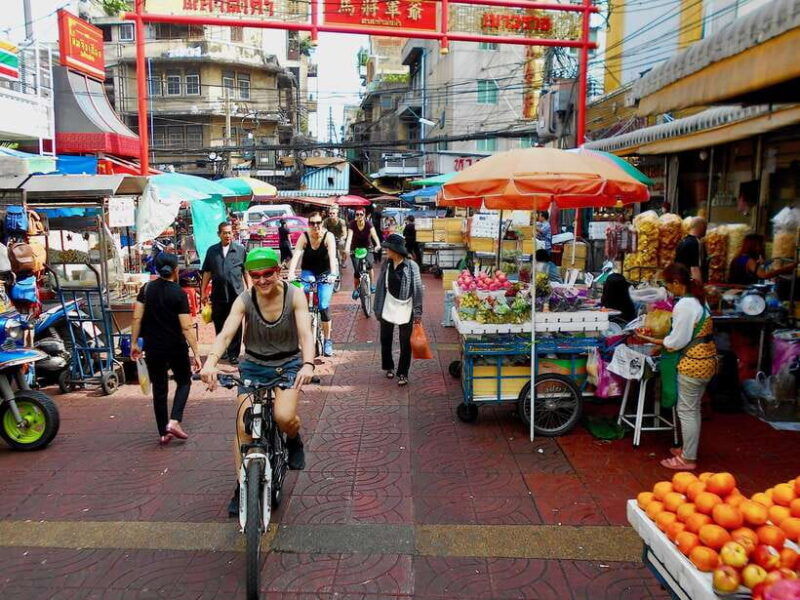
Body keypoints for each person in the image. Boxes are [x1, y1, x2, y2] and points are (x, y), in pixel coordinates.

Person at [199, 247, 315, 516]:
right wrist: (211, 362)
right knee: (244, 426)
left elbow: (306, 334)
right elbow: (226, 333)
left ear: (278, 271)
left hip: (288, 364)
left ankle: (293, 439)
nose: (262, 280)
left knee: (284, 417)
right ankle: (242, 485)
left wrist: (308, 363)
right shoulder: (244, 299)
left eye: (268, 274)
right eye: (256, 275)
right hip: (253, 365)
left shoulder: (294, 295)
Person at [636, 263, 717, 471]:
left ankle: (688, 459)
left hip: (692, 363)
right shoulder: (699, 300)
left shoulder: (685, 305)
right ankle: (687, 449)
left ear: (676, 283)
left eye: (668, 284)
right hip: (706, 361)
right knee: (693, 410)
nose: (667, 289)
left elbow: (676, 342)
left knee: (687, 411)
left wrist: (651, 340)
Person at [131, 253, 203, 445]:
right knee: (184, 381)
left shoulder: (146, 289)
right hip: (175, 346)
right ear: (175, 270)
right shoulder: (179, 293)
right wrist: (196, 353)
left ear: (156, 268)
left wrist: (134, 343)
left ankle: (163, 433)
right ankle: (174, 420)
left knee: (159, 388)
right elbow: (186, 327)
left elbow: (137, 317)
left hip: (153, 347)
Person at [374, 234, 424, 387]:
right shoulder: (386, 264)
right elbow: (380, 286)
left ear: (395, 250)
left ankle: (403, 372)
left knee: (405, 342)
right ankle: (388, 366)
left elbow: (417, 290)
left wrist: (417, 312)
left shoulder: (412, 266)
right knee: (385, 338)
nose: (386, 251)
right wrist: (377, 307)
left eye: (388, 248)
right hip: (388, 304)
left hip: (405, 307)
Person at [288, 211, 339, 356]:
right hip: (308, 272)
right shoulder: (304, 237)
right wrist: (291, 273)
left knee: (323, 305)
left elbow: (332, 256)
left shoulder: (328, 236)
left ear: (322, 223)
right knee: (300, 295)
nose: (315, 226)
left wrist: (333, 274)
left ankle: (327, 340)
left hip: (325, 273)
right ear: (308, 224)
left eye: (318, 223)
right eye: (312, 223)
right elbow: (296, 255)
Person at [201, 222, 249, 365]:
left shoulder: (240, 250)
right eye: (224, 233)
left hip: (236, 294)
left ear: (232, 233)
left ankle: (234, 354)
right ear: (219, 234)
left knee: (236, 325)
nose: (227, 235)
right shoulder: (212, 251)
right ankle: (222, 350)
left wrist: (249, 289)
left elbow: (246, 271)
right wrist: (203, 291)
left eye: (229, 232)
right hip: (218, 294)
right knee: (219, 323)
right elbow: (207, 272)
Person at [729, 233, 796, 285]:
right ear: (753, 245)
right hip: (743, 291)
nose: (761, 248)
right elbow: (764, 275)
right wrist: (786, 268)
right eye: (760, 245)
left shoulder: (738, 257)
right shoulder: (749, 260)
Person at [345, 206, 381, 299]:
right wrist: (347, 248)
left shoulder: (369, 224)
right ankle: (356, 289)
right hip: (355, 248)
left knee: (369, 265)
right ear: (355, 216)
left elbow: (374, 235)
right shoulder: (352, 224)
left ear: (364, 215)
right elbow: (349, 238)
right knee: (357, 270)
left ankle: (372, 285)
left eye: (361, 214)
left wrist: (378, 245)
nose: (359, 216)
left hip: (367, 247)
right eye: (357, 214)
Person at [675, 216, 708, 284]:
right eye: (705, 227)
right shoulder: (696, 242)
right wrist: (699, 286)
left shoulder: (682, 241)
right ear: (701, 226)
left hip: (679, 280)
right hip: (689, 282)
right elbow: (695, 267)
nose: (706, 230)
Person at [323, 205, 348, 269]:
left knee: (342, 245)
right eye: (330, 213)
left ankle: (343, 261)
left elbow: (345, 234)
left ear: (337, 214)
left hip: (340, 238)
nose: (332, 215)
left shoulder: (342, 221)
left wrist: (342, 238)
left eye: (333, 213)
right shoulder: (326, 221)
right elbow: (324, 231)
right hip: (330, 238)